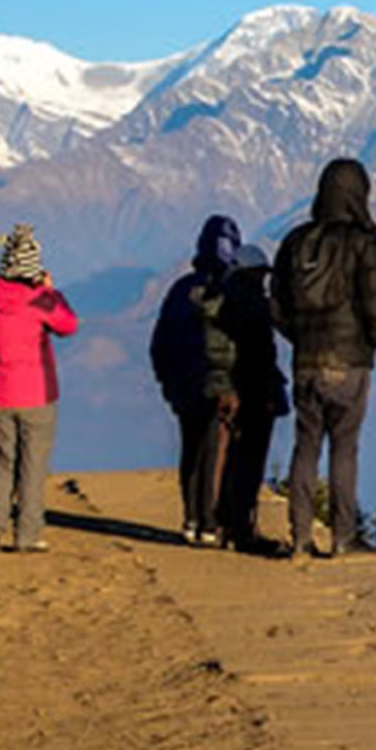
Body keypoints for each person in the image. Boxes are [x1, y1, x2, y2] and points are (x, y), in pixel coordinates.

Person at [272, 157, 376, 559]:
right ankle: (343, 536)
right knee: (345, 447)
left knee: (305, 446)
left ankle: (300, 536)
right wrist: (370, 341)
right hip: (349, 362)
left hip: (305, 360)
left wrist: (300, 336)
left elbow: (277, 304)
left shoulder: (294, 242)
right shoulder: (363, 242)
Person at [0, 223, 78, 553]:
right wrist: (51, 291)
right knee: (33, 465)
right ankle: (27, 534)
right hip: (36, 393)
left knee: (3, 463)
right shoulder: (39, 301)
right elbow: (68, 324)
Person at [149, 214, 242, 545]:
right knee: (217, 450)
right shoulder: (234, 290)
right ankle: (210, 521)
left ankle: (190, 518)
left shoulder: (180, 290)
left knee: (191, 448)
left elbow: (160, 343)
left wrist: (167, 382)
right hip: (224, 386)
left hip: (184, 386)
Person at [212, 243, 289, 553]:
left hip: (235, 390)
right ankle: (244, 528)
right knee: (250, 462)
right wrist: (270, 393)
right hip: (256, 393)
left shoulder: (225, 300)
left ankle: (228, 522)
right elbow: (261, 357)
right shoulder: (254, 306)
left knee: (234, 458)